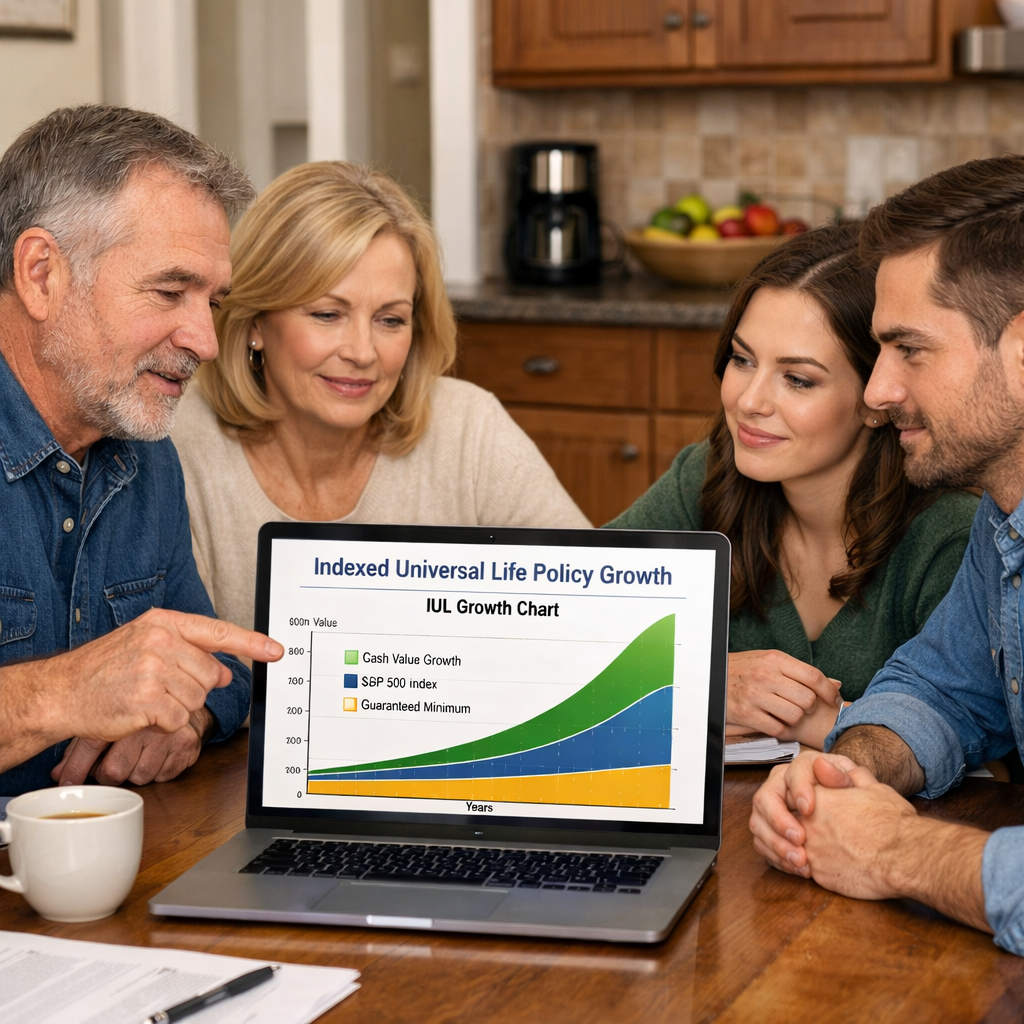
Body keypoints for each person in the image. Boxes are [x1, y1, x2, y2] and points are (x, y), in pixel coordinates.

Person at [749, 155, 1024, 956]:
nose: (875, 392)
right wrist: (846, 772)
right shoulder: (1004, 516)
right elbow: (942, 689)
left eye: (910, 349)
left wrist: (896, 852)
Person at [171, 161, 588, 635]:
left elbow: (592, 606)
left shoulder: (469, 426)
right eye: (328, 314)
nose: (363, 353)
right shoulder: (179, 448)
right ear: (254, 323)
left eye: (390, 320)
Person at [0, 105, 284, 797]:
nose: (206, 341)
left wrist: (182, 717)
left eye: (212, 300)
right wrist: (64, 693)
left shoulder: (142, 446)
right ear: (41, 274)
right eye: (169, 291)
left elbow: (218, 665)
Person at [607, 224, 977, 748]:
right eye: (743, 359)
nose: (750, 401)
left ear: (878, 397)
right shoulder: (705, 478)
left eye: (797, 379)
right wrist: (702, 675)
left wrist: (822, 721)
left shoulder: (952, 536)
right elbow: (567, 626)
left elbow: (990, 758)